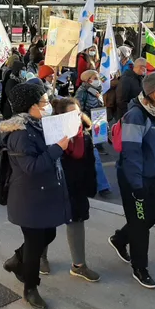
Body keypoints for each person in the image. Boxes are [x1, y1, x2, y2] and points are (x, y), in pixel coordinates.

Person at [0, 83, 70, 309]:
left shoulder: (37, 126)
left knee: (47, 233)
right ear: (30, 107)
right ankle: (30, 288)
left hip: (40, 194)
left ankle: (17, 260)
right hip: (27, 197)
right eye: (43, 102)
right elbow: (31, 166)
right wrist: (58, 148)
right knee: (34, 243)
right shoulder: (21, 134)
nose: (47, 105)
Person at [109, 72, 155, 289]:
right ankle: (140, 268)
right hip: (133, 178)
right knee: (140, 224)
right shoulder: (136, 116)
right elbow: (131, 153)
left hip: (151, 176)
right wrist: (136, 185)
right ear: (150, 93)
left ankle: (119, 239)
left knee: (151, 218)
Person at [40, 98, 100, 282]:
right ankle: (40, 257)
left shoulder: (85, 136)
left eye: (78, 113)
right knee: (46, 223)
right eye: (70, 114)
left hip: (77, 186)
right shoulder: (51, 137)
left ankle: (79, 265)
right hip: (55, 185)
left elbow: (90, 164)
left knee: (77, 221)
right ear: (60, 117)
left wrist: (91, 186)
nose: (76, 117)